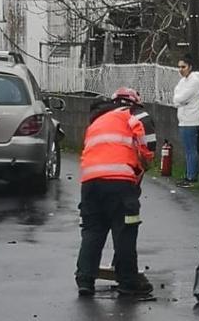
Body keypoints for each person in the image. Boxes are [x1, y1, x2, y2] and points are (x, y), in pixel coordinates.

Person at [75, 88, 156, 297]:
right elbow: (146, 142)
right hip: (120, 183)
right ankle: (128, 283)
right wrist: (146, 160)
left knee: (93, 231)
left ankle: (85, 279)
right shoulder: (132, 113)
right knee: (125, 231)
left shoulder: (97, 121)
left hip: (90, 183)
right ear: (132, 103)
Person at [172, 54, 199, 188]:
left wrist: (179, 101)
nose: (181, 70)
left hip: (191, 119)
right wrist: (179, 101)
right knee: (188, 149)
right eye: (179, 67)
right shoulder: (183, 81)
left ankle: (191, 177)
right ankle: (188, 174)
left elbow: (180, 98)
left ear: (190, 67)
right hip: (184, 118)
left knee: (191, 150)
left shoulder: (194, 81)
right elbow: (176, 98)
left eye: (183, 67)